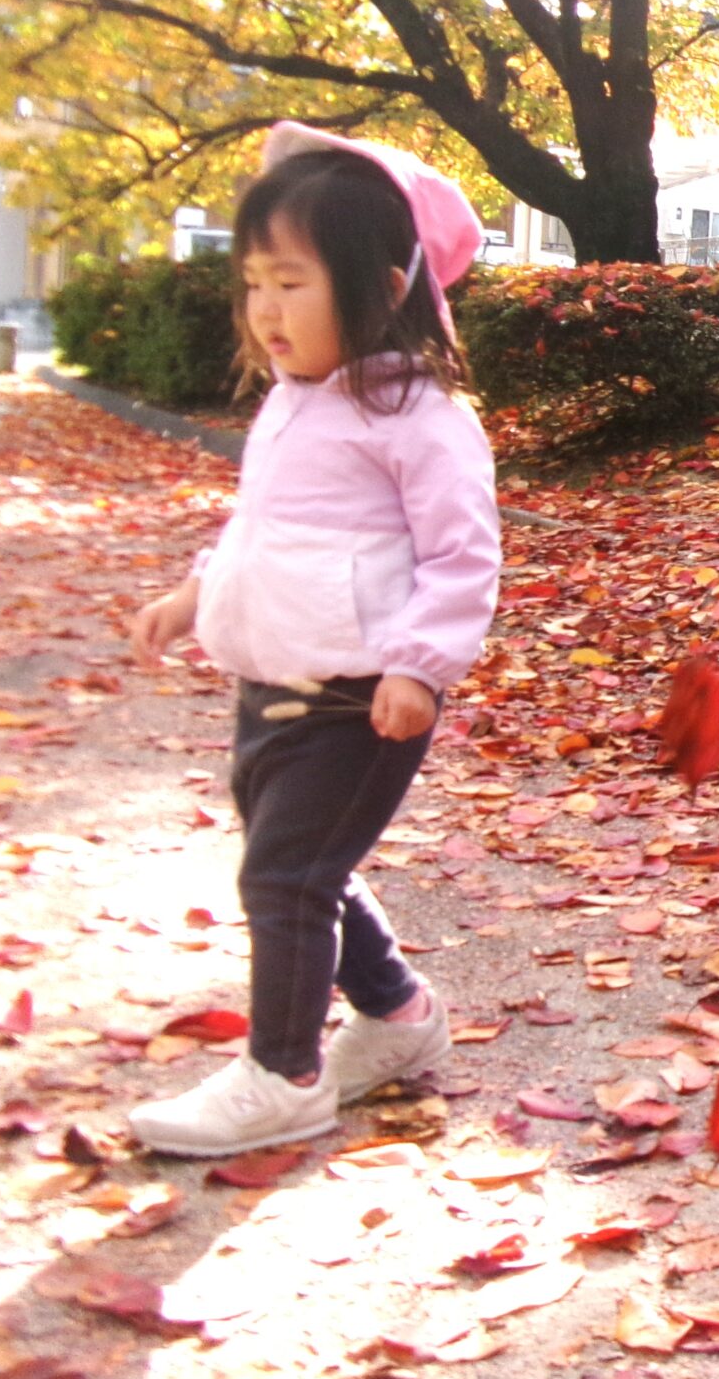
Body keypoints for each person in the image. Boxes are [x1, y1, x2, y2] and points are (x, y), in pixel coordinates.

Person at [126, 123, 499, 1157]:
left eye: (290, 283)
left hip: (358, 696)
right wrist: (194, 592)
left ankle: (282, 1075)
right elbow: (263, 529)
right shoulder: (294, 405)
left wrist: (421, 666)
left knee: (287, 876)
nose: (265, 310)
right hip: (271, 682)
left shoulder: (417, 416)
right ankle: (399, 1019)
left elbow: (463, 557)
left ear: (381, 288)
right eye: (252, 284)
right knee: (299, 863)